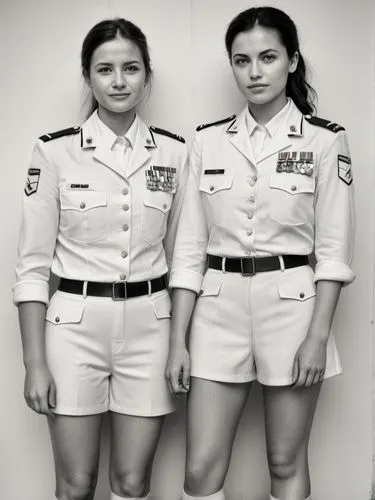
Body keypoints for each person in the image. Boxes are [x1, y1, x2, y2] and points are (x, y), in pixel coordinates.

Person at [166, 6, 354, 500]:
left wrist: (318, 336)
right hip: (216, 307)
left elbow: (333, 252)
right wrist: (178, 340)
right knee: (201, 469)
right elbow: (188, 251)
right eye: (242, 60)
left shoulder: (325, 140)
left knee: (284, 459)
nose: (254, 72)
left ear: (292, 61)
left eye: (268, 57)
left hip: (292, 309)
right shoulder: (207, 141)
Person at [13, 18, 188, 500]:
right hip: (73, 329)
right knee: (76, 483)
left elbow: (183, 259)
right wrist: (35, 363)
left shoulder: (174, 154)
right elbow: (31, 269)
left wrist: (179, 343)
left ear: (146, 76)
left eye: (131, 68)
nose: (118, 81)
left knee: (133, 483)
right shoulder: (55, 152)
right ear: (88, 76)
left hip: (150, 328)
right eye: (105, 69)